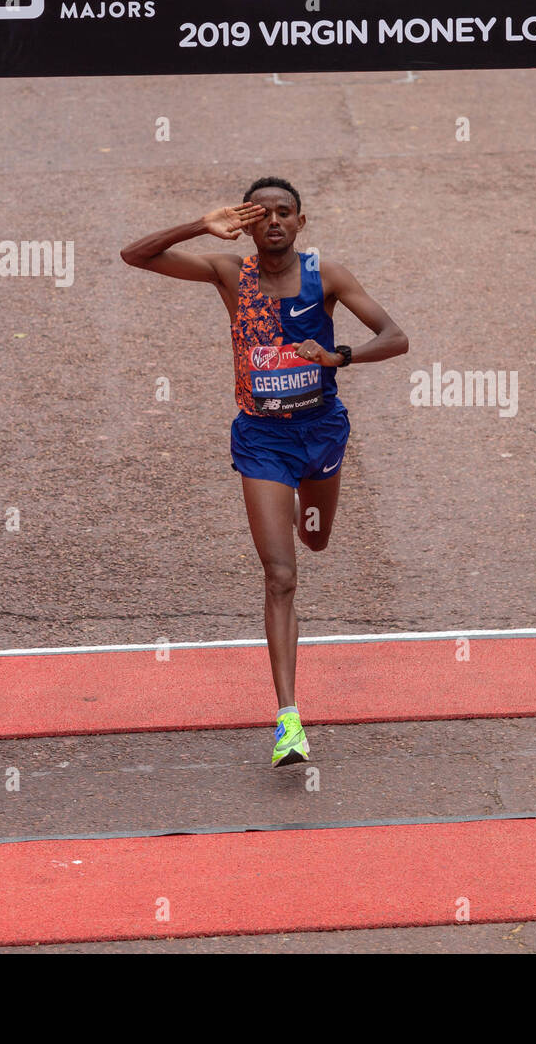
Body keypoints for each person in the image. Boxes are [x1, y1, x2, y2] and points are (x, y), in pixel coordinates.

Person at [121, 176, 409, 766]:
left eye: (285, 213)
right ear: (248, 224)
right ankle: (289, 721)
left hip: (322, 431)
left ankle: (311, 506)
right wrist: (200, 225)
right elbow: (136, 256)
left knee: (316, 539)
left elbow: (395, 336)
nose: (274, 221)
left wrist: (338, 356)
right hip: (263, 440)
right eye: (262, 214)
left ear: (302, 223)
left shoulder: (326, 276)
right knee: (281, 575)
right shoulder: (230, 273)